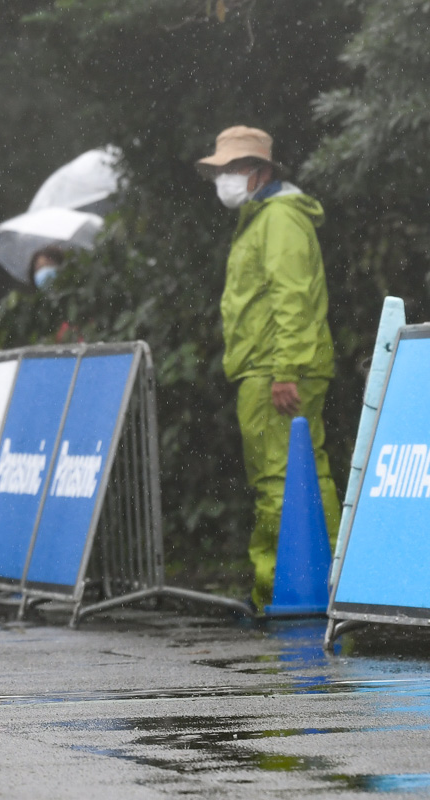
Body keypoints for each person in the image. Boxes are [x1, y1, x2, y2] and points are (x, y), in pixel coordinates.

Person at [196, 125, 339, 612]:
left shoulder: (276, 218)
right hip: (275, 366)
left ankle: (280, 591)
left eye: (232, 169)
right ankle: (332, 584)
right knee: (306, 476)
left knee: (278, 481)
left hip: (272, 370)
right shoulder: (267, 215)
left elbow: (291, 297)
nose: (224, 179)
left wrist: (285, 371)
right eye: (220, 170)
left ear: (259, 172)